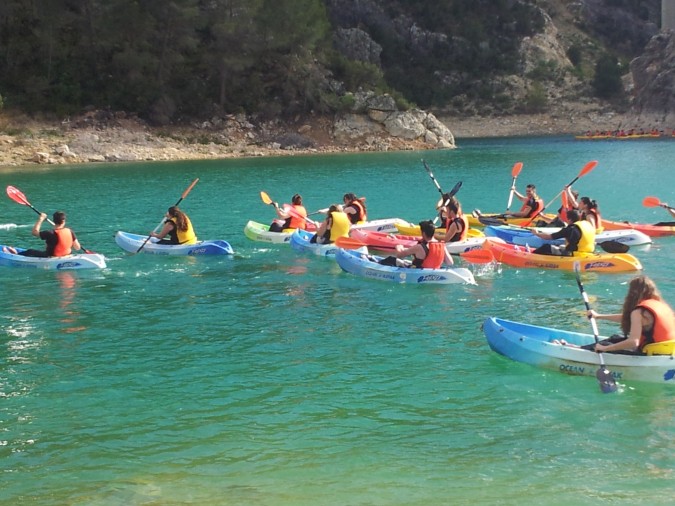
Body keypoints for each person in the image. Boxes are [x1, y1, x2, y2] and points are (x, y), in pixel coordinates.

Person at [586, 276, 675, 354]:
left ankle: (582, 351)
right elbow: (628, 319)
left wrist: (605, 348)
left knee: (605, 344)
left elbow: (633, 342)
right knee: (616, 338)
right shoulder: (660, 305)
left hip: (649, 354)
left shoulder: (639, 312)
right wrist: (598, 316)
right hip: (667, 351)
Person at [3, 211, 81, 257]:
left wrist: (41, 219)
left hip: (51, 257)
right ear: (64, 221)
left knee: (30, 251)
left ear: (54, 220)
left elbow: (34, 232)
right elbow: (77, 247)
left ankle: (15, 254)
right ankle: (16, 253)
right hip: (67, 256)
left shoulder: (49, 233)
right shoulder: (70, 231)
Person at [380, 220, 453, 267]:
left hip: (417, 272)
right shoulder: (442, 246)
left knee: (391, 259)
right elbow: (450, 262)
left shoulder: (419, 247)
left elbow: (400, 255)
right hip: (434, 271)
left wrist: (398, 247)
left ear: (423, 233)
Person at [531, 209, 595, 256]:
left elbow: (549, 237)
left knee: (546, 247)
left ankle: (532, 256)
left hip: (574, 254)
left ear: (569, 219)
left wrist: (536, 233)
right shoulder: (586, 224)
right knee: (560, 246)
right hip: (588, 252)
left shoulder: (569, 229)